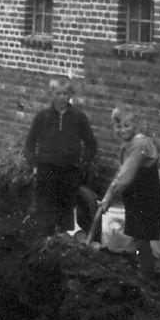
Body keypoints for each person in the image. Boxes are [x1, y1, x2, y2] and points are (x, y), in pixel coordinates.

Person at [23, 77, 97, 234]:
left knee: (65, 216)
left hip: (69, 172)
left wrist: (82, 165)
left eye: (65, 93)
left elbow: (91, 144)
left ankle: (61, 247)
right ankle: (45, 245)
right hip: (46, 172)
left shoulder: (78, 118)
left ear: (70, 94)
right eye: (58, 93)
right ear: (51, 95)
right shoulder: (42, 117)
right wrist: (34, 165)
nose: (62, 97)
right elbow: (29, 144)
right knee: (45, 215)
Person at [96, 105, 160, 280]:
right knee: (137, 237)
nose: (122, 130)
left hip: (146, 199)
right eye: (118, 127)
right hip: (135, 198)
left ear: (136, 124)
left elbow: (124, 177)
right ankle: (139, 273)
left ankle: (147, 278)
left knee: (142, 239)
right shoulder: (129, 144)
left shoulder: (141, 143)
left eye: (127, 125)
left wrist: (108, 197)